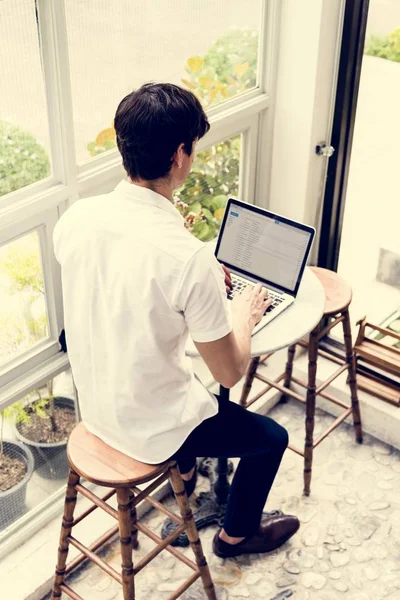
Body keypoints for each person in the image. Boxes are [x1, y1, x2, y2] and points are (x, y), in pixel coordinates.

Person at [53, 82, 299, 559]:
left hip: (97, 405)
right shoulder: (187, 260)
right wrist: (243, 311)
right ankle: (237, 535)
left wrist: (187, 268)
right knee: (272, 438)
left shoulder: (78, 218)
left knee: (187, 388)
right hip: (148, 425)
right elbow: (230, 371)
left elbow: (122, 283)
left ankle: (185, 476)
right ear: (181, 155)